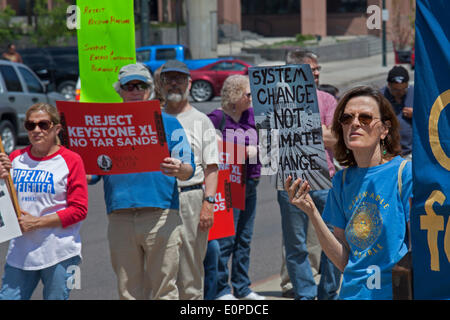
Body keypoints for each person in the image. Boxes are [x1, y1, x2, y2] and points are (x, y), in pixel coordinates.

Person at [285, 85, 412, 300]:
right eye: (346, 118)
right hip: (351, 295)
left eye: (365, 118)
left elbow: (422, 248)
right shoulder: (341, 181)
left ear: (384, 129)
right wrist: (312, 212)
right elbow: (345, 261)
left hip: (394, 294)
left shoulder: (404, 173)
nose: (354, 123)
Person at [88, 63, 195, 300]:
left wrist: (179, 168)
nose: (135, 90)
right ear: (120, 90)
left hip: (161, 215)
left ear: (150, 89)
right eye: (129, 86)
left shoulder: (169, 123)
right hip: (120, 217)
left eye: (141, 85)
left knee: (164, 290)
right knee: (128, 292)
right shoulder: (105, 124)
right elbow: (92, 174)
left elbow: (189, 169)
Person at [0, 103, 88, 300]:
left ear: (57, 128)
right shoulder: (15, 158)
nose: (36, 130)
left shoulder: (72, 160)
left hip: (60, 253)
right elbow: (4, 203)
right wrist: (1, 178)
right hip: (20, 254)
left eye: (43, 124)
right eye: (30, 125)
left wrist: (37, 222)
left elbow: (79, 210)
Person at [278, 49, 342, 300]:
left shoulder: (327, 99)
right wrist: (319, 128)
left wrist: (299, 127)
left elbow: (335, 138)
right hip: (290, 180)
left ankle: (327, 292)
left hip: (324, 178)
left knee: (333, 239)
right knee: (295, 244)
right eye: (311, 68)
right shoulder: (276, 101)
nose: (316, 73)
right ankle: (305, 294)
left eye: (317, 69)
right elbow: (272, 139)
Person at [158, 60, 219, 300]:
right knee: (162, 270)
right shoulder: (152, 118)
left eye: (180, 78)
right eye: (169, 78)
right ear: (161, 84)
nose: (175, 83)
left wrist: (208, 203)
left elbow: (212, 167)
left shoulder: (201, 120)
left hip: (191, 198)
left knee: (191, 271)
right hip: (158, 201)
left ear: (189, 83)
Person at [207, 74, 264, 300]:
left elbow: (267, 140)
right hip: (228, 184)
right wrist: (241, 153)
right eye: (248, 94)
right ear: (234, 95)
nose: (251, 98)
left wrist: (259, 150)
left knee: (244, 238)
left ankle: (242, 286)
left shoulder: (252, 115)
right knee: (225, 240)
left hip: (251, 181)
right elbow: (206, 148)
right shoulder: (216, 118)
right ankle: (221, 289)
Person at [380, 65, 414, 160]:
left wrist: (416, 114)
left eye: (404, 89)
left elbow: (428, 118)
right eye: (395, 90)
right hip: (387, 153)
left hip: (410, 152)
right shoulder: (380, 97)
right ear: (388, 85)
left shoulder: (415, 93)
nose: (400, 93)